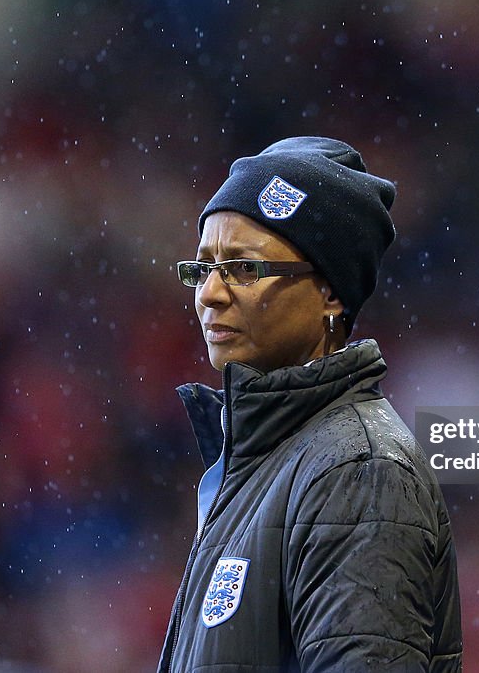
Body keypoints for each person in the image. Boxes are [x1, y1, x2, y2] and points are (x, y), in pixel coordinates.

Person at [158, 137, 462, 672]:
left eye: (244, 269)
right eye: (202, 267)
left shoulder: (356, 470)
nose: (209, 293)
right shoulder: (269, 464)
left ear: (330, 293)